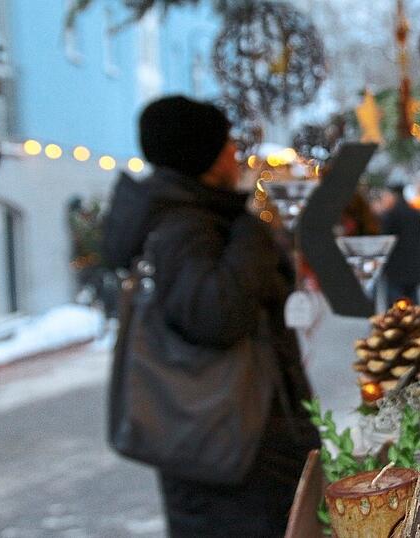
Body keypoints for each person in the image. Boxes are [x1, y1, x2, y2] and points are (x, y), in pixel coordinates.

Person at [102, 96, 320, 536]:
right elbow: (215, 314)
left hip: (227, 444)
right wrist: (252, 231)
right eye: (225, 144)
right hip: (231, 455)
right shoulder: (186, 226)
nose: (234, 153)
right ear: (201, 155)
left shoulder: (194, 216)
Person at [379, 184, 420, 303]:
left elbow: (384, 241)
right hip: (414, 264)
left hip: (395, 268)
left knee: (396, 306)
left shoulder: (391, 215)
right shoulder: (415, 213)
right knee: (413, 303)